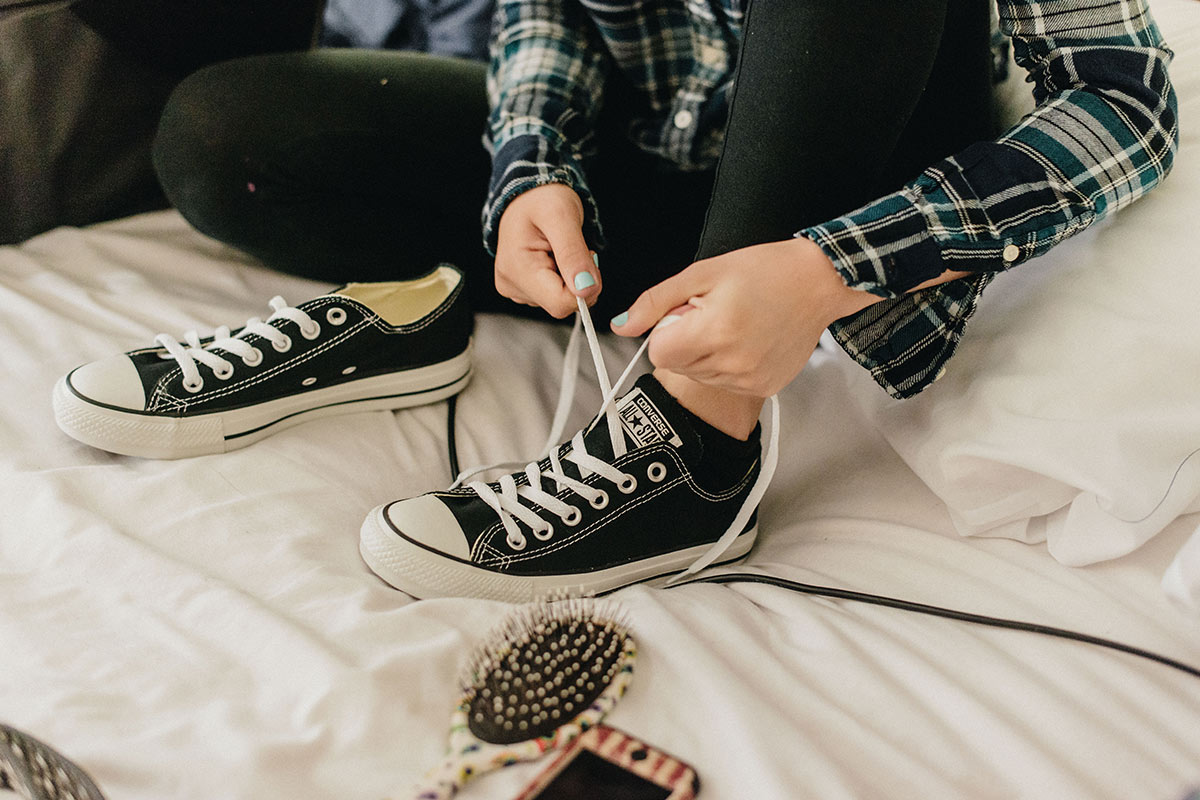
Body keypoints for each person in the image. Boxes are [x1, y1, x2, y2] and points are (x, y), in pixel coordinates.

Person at [138, 0, 1175, 600]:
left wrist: (831, 267)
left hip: (861, 207)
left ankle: (694, 443)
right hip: (660, 174)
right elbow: (545, 10)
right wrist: (532, 166)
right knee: (221, 134)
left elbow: (1126, 103)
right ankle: (449, 301)